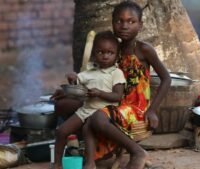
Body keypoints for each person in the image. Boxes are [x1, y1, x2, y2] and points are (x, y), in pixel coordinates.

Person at [52, 1, 171, 169]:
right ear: (113, 23)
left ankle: (136, 151)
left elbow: (167, 79)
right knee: (62, 105)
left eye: (131, 21)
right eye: (119, 21)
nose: (124, 26)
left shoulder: (144, 50)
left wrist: (152, 110)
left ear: (140, 25)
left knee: (97, 116)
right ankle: (89, 149)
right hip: (109, 100)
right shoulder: (111, 48)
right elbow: (96, 77)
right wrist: (69, 91)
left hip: (133, 107)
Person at [53, 30, 126, 169]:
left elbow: (117, 96)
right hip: (86, 110)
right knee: (61, 131)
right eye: (100, 52)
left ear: (116, 55)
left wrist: (99, 93)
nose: (105, 56)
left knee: (88, 129)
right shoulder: (89, 72)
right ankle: (57, 163)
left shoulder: (116, 73)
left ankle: (90, 163)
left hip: (105, 112)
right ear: (94, 54)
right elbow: (76, 86)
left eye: (110, 53)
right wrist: (72, 78)